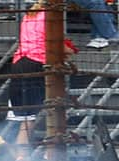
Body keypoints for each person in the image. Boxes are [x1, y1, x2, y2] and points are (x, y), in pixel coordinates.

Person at [8, 1, 78, 149]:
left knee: (24, 118)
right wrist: (70, 49)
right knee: (32, 117)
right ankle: (23, 154)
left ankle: (21, 153)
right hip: (36, 64)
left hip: (19, 63)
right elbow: (59, 46)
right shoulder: (49, 16)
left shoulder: (28, 15)